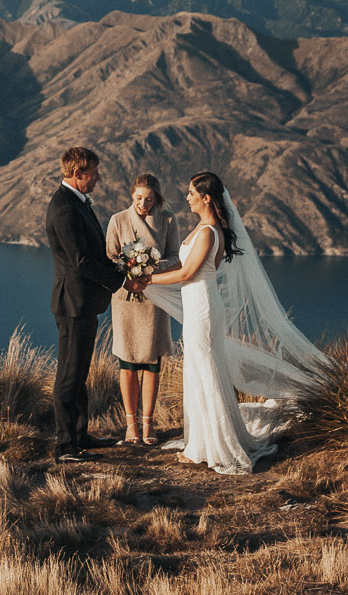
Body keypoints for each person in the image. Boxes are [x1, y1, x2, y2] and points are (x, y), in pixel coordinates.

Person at [144, 170, 329, 474]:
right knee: (201, 370)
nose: (187, 197)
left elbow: (188, 274)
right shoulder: (206, 228)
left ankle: (213, 445)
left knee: (205, 371)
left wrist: (147, 279)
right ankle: (201, 442)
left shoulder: (207, 232)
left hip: (202, 305)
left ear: (206, 197)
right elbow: (193, 268)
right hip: (200, 303)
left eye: (192, 193)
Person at [43, 145, 127, 462]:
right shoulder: (64, 207)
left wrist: (117, 270)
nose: (98, 178)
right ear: (78, 174)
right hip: (73, 304)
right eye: (94, 172)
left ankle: (80, 435)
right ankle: (64, 446)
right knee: (68, 374)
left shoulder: (76, 202)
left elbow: (92, 255)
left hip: (84, 303)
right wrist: (121, 280)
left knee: (79, 373)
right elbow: (81, 260)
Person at [105, 173, 179, 445]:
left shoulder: (169, 220)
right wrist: (128, 269)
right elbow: (110, 257)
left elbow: (175, 258)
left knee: (151, 364)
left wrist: (149, 267)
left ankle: (148, 425)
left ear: (156, 199)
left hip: (154, 298)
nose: (143, 204)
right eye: (138, 198)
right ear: (131, 195)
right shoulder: (118, 220)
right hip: (125, 299)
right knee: (127, 363)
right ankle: (130, 427)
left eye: (149, 199)